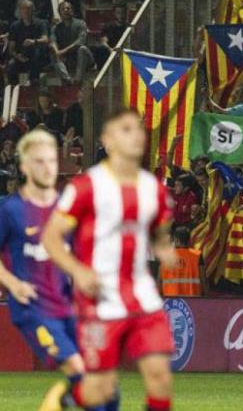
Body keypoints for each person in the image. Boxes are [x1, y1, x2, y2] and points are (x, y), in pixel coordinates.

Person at [41, 108, 176, 411]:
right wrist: (78, 271)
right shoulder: (86, 187)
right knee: (98, 393)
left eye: (139, 129)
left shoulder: (153, 189)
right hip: (100, 299)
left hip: (143, 297)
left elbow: (159, 230)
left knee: (160, 378)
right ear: (108, 139)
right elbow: (51, 237)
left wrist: (163, 247)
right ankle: (64, 400)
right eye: (126, 129)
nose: (137, 135)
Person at [0, 131, 97, 411]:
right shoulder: (10, 210)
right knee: (78, 369)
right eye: (39, 161)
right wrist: (13, 283)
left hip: (66, 305)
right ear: (24, 167)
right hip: (33, 307)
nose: (47, 167)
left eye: (52, 161)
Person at [159, 227, 202, 297]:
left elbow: (159, 282)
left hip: (170, 301)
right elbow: (203, 282)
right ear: (189, 240)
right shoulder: (197, 256)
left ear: (176, 240)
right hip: (193, 301)